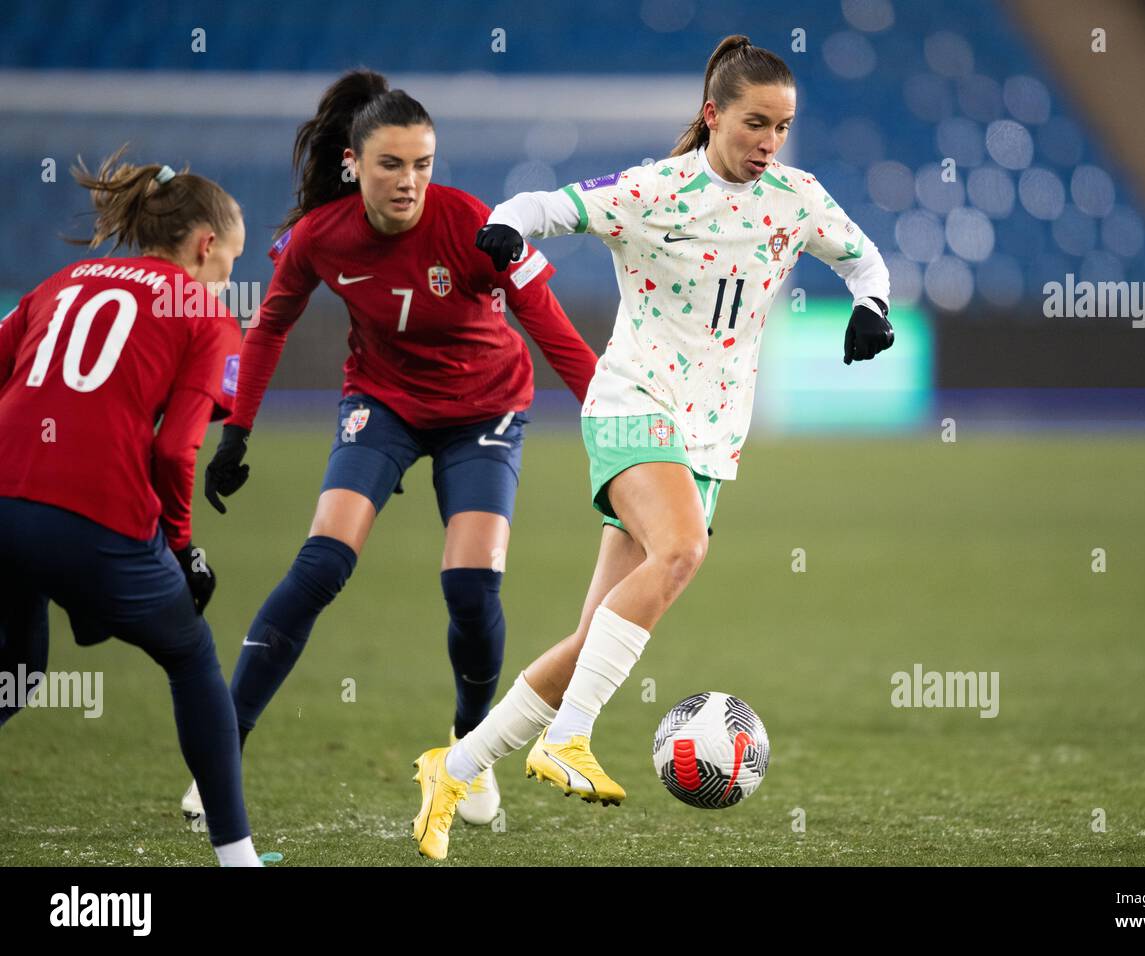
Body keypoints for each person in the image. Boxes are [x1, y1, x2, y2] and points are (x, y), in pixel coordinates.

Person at [410, 34, 893, 860]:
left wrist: (870, 304)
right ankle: (569, 739)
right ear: (713, 115)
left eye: (781, 126)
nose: (769, 142)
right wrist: (501, 228)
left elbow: (863, 257)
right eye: (754, 124)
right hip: (635, 401)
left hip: (710, 436)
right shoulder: (652, 189)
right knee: (682, 553)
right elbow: (541, 205)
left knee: (595, 630)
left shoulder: (796, 197)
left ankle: (455, 766)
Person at [192, 69, 597, 826]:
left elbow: (549, 325)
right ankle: (222, 749)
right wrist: (238, 429)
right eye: (390, 164)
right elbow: (271, 325)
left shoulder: (473, 224)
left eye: (422, 164)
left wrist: (614, 425)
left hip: (484, 409)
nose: (409, 182)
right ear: (353, 163)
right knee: (320, 565)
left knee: (471, 590)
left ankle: (468, 752)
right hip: (381, 403)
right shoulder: (319, 237)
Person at [0, 147, 261, 866]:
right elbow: (176, 453)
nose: (227, 279)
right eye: (230, 262)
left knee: (16, 668)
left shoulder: (60, 282)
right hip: (89, 511)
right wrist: (180, 550)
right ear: (206, 246)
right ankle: (236, 858)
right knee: (190, 656)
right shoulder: (204, 315)